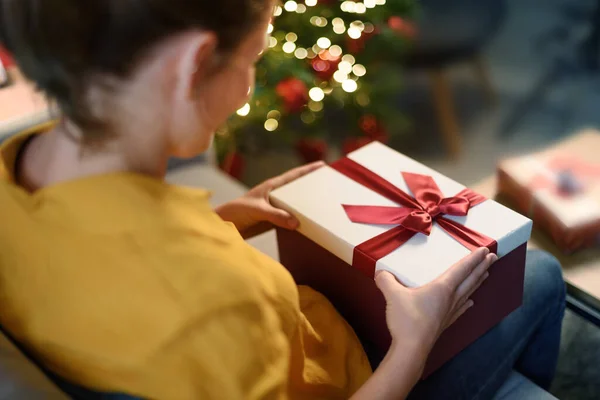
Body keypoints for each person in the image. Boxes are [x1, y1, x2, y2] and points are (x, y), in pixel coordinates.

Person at [0, 1, 565, 399]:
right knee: (538, 273)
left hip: (281, 340)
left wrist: (227, 220)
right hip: (358, 378)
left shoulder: (14, 172)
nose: (250, 84)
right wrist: (413, 346)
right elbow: (197, 296)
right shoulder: (220, 303)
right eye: (253, 55)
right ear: (194, 65)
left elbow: (118, 267)